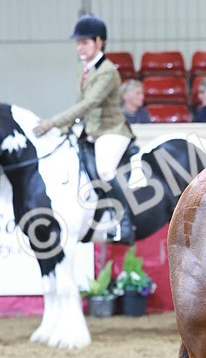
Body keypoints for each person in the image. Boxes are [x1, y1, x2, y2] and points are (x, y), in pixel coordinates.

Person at [33, 14, 135, 243]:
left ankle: (126, 223)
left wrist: (53, 122)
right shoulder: (84, 68)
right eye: (77, 42)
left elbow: (89, 103)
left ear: (99, 42)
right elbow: (81, 104)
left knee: (106, 170)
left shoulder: (107, 70)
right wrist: (64, 127)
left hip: (112, 131)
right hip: (90, 130)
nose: (79, 47)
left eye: (84, 42)